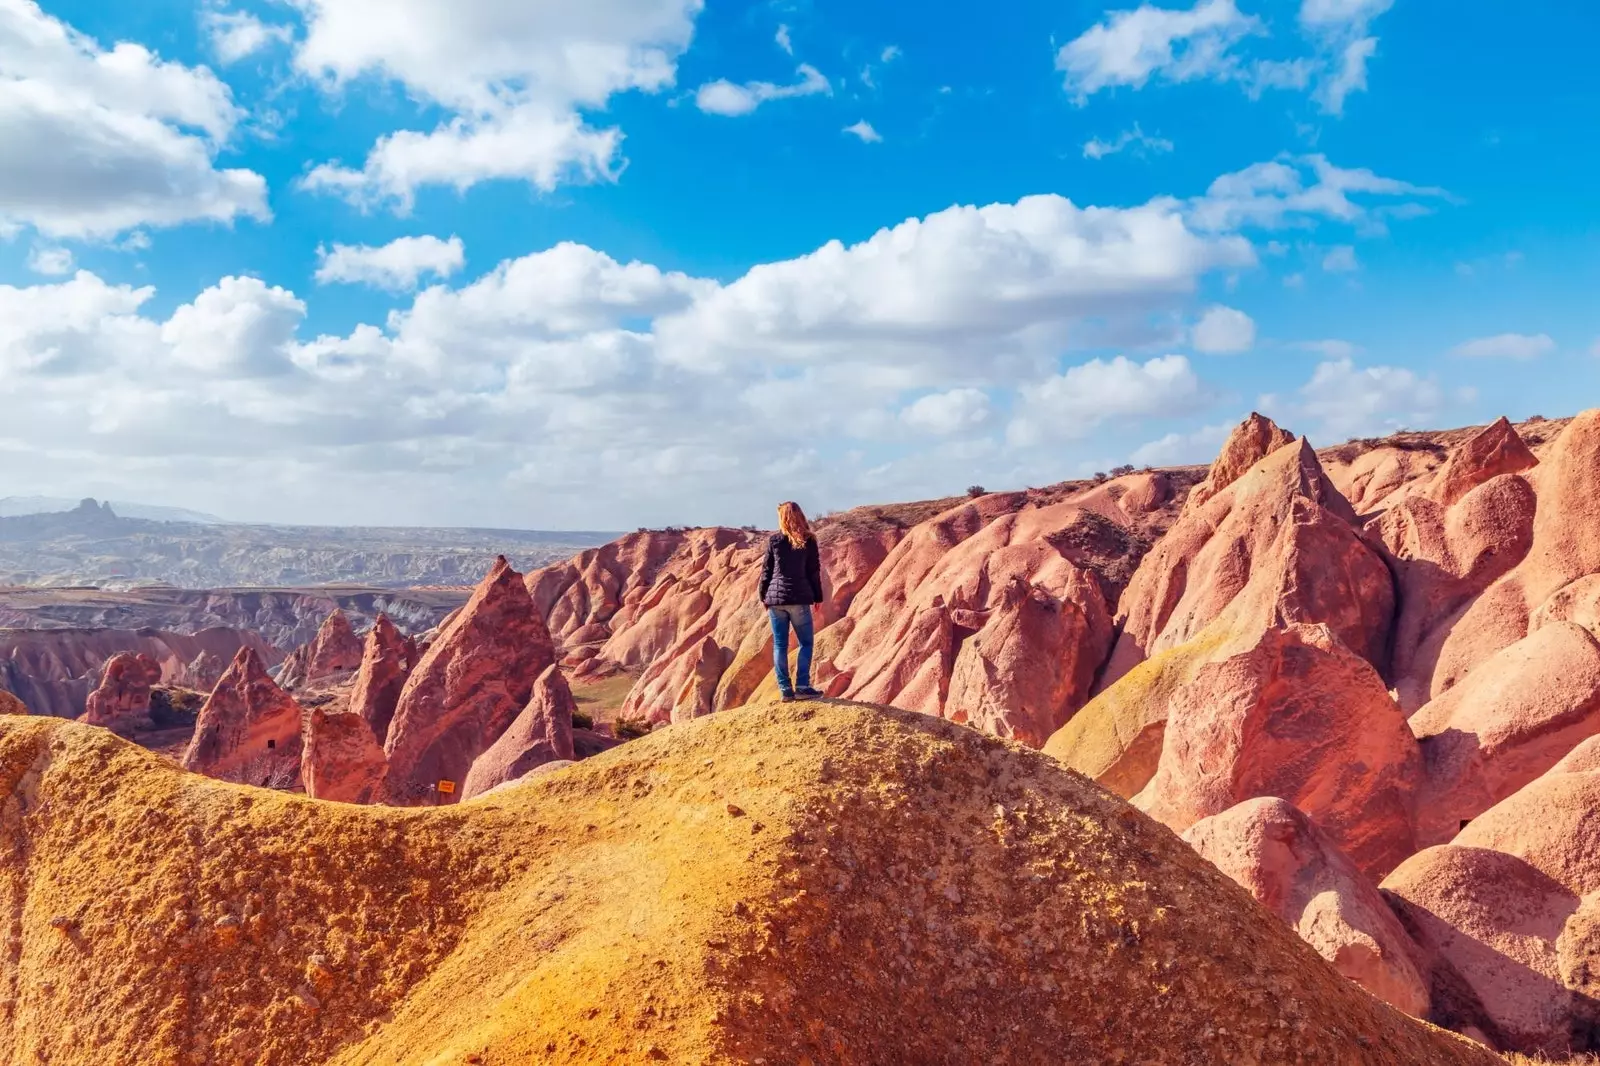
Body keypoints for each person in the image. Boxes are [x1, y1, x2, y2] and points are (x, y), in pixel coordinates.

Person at [757, 501, 825, 702]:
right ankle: (802, 687)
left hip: (775, 600)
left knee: (780, 645)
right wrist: (818, 597)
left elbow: (766, 572)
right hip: (798, 598)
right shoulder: (808, 540)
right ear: (800, 516)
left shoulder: (775, 541)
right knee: (805, 642)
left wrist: (764, 596)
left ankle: (785, 690)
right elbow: (814, 572)